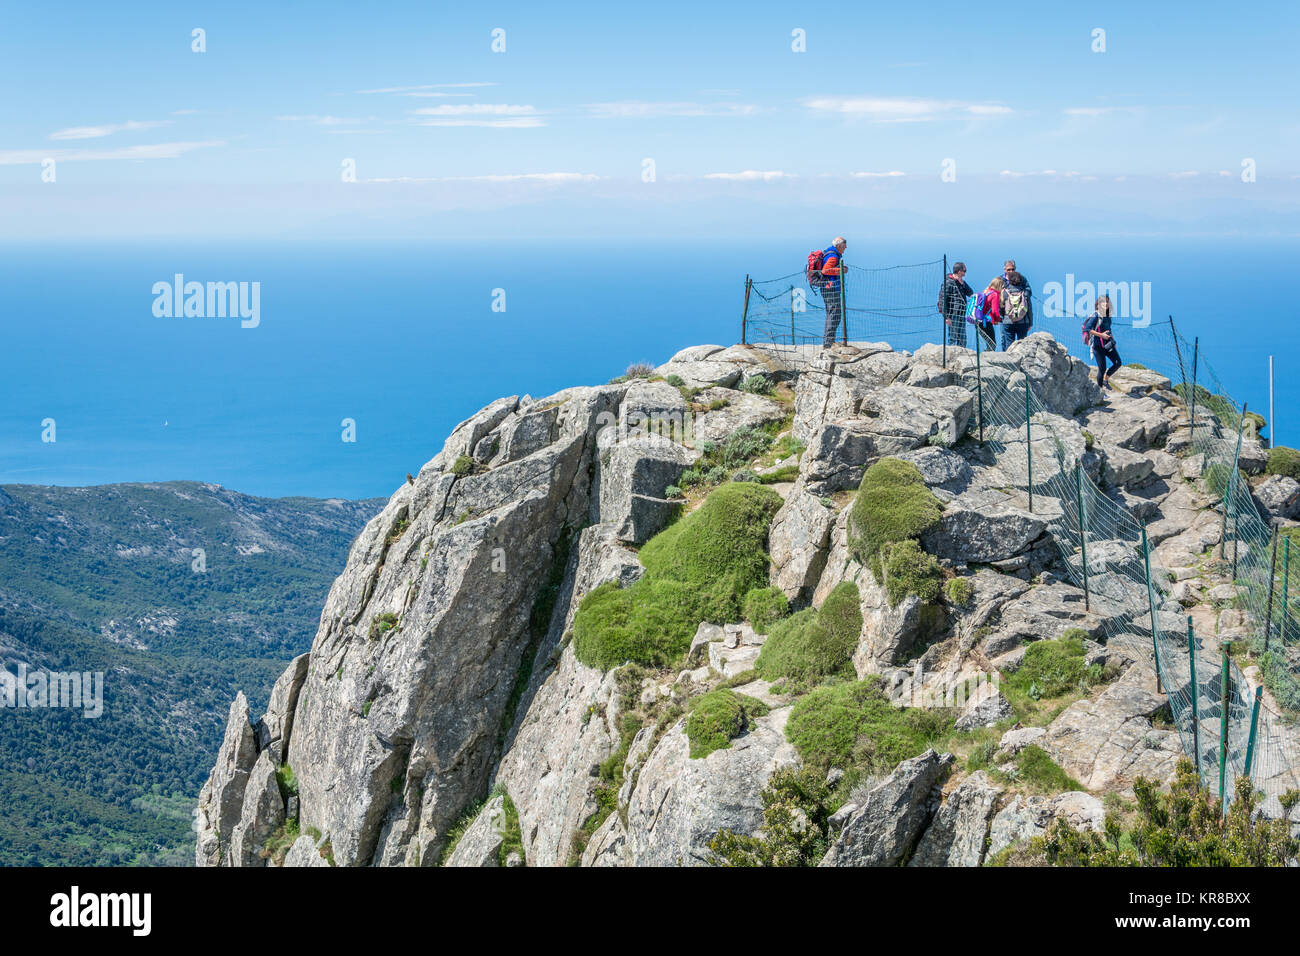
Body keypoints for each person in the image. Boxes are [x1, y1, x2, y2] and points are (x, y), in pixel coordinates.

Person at [1083, 294, 1121, 390]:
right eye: (1104, 301)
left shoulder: (1108, 317)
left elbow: (1109, 330)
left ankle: (1105, 379)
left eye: (1107, 301)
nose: (1106, 303)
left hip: (1108, 345)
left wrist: (1113, 342)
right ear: (1098, 304)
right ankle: (1100, 392)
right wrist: (1102, 335)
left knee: (1118, 363)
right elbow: (1087, 329)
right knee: (1102, 368)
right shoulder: (1096, 315)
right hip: (1098, 346)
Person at [937, 261, 974, 348]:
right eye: (964, 271)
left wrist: (962, 283)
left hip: (961, 312)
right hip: (953, 314)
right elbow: (942, 300)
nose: (965, 273)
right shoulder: (948, 282)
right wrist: (946, 317)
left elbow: (970, 292)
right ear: (959, 271)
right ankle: (952, 357)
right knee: (953, 337)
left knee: (962, 337)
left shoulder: (961, 282)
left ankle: (962, 354)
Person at [818, 237, 847, 347]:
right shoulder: (833, 256)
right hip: (831, 288)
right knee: (834, 315)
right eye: (844, 246)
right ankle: (828, 343)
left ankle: (829, 341)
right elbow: (826, 270)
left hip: (827, 288)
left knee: (832, 314)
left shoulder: (830, 252)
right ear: (839, 246)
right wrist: (842, 270)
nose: (845, 248)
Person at [1000, 269, 1033, 349]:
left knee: (1009, 344)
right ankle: (1022, 360)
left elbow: (1001, 307)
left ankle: (1009, 360)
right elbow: (1029, 309)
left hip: (1008, 320)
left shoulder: (1004, 292)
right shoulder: (1024, 293)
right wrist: (1030, 323)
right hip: (1023, 321)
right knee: (1022, 345)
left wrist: (1002, 317)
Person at [973, 276, 1004, 350]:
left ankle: (985, 357)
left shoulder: (986, 291)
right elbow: (995, 311)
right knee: (992, 344)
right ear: (999, 286)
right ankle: (988, 360)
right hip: (986, 323)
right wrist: (999, 320)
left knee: (989, 343)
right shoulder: (995, 294)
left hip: (978, 322)